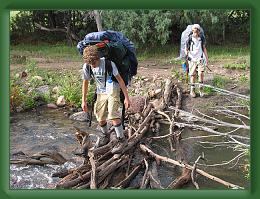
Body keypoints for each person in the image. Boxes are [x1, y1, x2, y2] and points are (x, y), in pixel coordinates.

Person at [81, 45, 131, 153]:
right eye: (90, 64)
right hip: (100, 92)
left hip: (112, 88)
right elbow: (85, 83)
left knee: (113, 114)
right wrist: (83, 101)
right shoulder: (87, 67)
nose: (92, 66)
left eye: (94, 63)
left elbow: (120, 81)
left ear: (98, 58)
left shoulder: (109, 64)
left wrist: (127, 98)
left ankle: (122, 140)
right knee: (100, 118)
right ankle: (105, 136)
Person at [185, 24, 209, 98]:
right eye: (194, 30)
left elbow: (204, 48)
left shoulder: (201, 38)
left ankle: (201, 90)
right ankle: (192, 91)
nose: (195, 32)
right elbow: (186, 49)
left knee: (201, 74)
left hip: (200, 58)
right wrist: (187, 55)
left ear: (199, 31)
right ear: (192, 31)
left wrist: (207, 58)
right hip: (192, 59)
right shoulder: (189, 38)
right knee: (192, 75)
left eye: (197, 30)